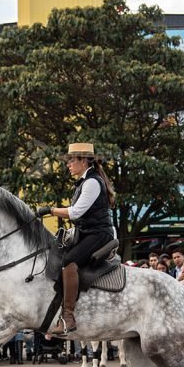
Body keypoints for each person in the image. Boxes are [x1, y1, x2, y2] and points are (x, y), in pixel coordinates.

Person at [36, 142, 116, 335]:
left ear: (83, 161)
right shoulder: (84, 182)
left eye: (72, 160)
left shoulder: (91, 182)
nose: (68, 164)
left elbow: (76, 213)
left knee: (69, 260)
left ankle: (69, 317)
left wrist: (50, 210)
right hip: (88, 232)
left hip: (99, 234)